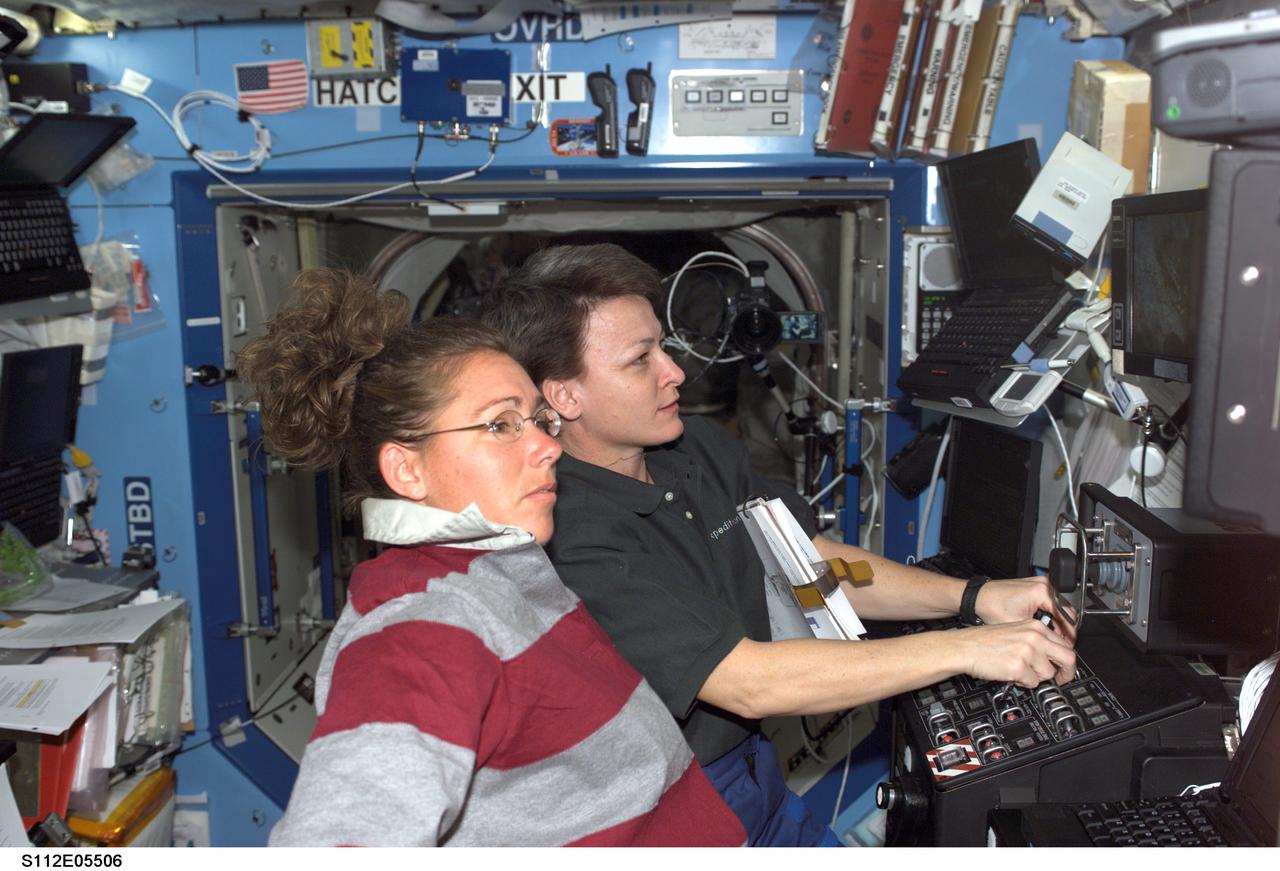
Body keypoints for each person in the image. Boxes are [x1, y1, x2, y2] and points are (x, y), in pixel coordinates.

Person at [483, 243, 1078, 846]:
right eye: (641, 360)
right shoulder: (569, 534)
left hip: (755, 776)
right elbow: (749, 682)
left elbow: (812, 564)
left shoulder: (693, 448)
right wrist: (967, 651)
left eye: (662, 345)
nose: (675, 371)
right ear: (563, 397)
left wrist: (973, 598)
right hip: (671, 812)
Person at [237, 268, 747, 847]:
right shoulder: (422, 628)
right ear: (407, 470)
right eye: (501, 425)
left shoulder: (501, 571)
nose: (548, 446)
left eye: (539, 419)